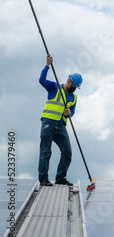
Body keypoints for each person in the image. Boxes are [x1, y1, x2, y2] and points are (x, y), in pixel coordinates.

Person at [38, 54, 83, 187]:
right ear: (69, 81)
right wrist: (47, 66)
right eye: (73, 86)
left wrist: (69, 114)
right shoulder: (54, 87)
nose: (73, 89)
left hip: (61, 127)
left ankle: (60, 177)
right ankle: (43, 179)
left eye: (75, 88)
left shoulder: (73, 98)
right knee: (46, 152)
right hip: (48, 123)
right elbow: (41, 80)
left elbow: (72, 112)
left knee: (67, 152)